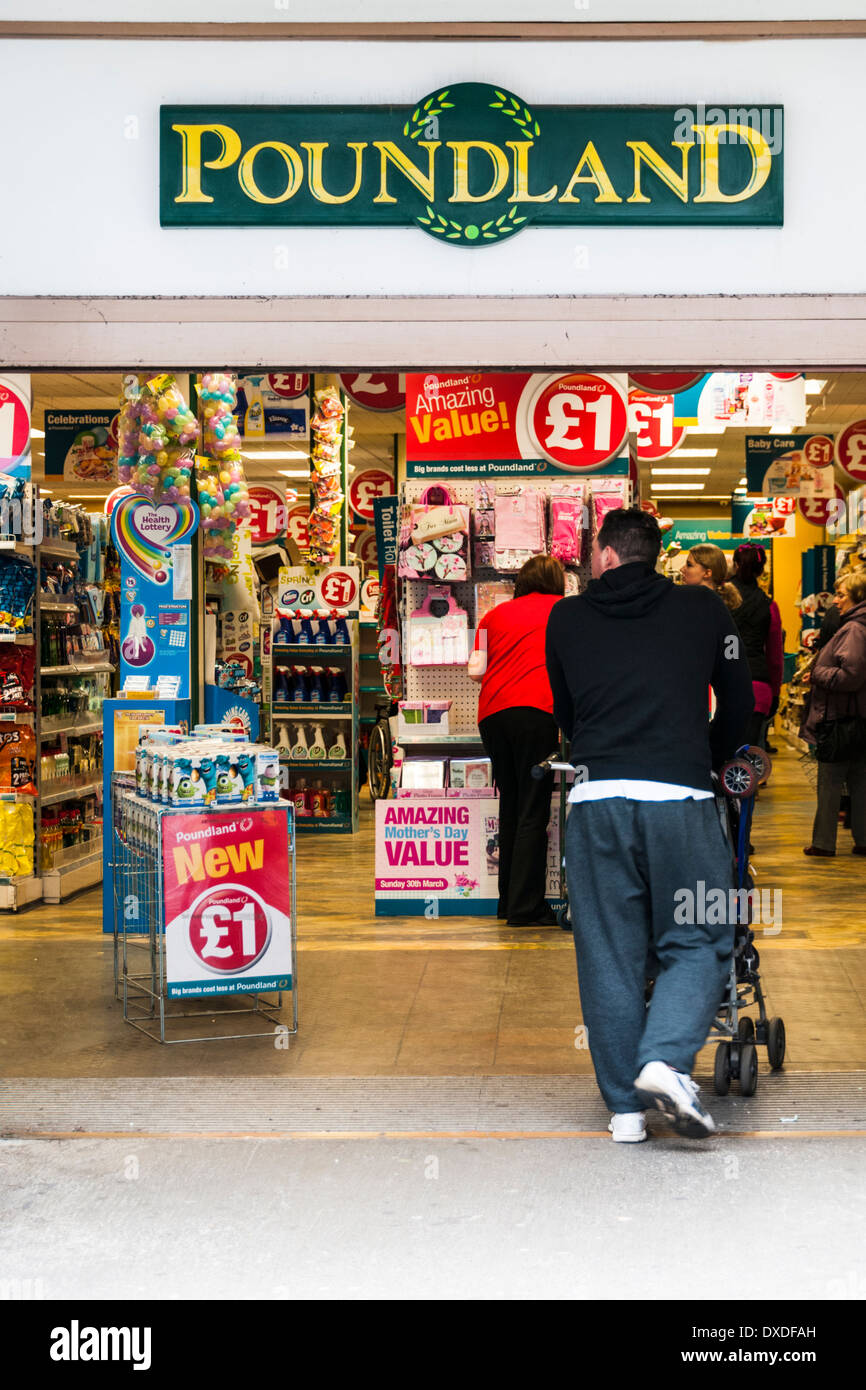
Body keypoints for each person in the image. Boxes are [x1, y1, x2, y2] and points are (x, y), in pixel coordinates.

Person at [545, 509, 753, 1142]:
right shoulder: (704, 610)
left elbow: (566, 710)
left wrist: (603, 753)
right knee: (701, 933)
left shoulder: (567, 616)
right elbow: (739, 701)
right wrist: (708, 756)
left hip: (597, 798)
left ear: (605, 555)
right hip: (682, 800)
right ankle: (663, 1059)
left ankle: (624, 1111)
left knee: (608, 954)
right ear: (655, 555)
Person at [469, 554, 564, 926]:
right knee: (532, 811)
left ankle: (507, 902)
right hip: (537, 711)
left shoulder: (494, 615)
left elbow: (477, 670)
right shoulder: (564, 610)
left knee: (510, 806)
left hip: (492, 715)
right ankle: (527, 908)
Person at [800, 568, 866, 857]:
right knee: (860, 782)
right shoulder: (856, 625)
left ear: (856, 597)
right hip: (856, 717)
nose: (836, 600)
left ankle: (823, 843)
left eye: (841, 595)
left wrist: (818, 673)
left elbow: (851, 675)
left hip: (839, 718)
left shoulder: (853, 629)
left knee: (829, 783)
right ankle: (863, 839)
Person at [730, 543, 783, 747]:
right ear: (761, 571)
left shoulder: (718, 598)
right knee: (746, 758)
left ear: (735, 564)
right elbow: (775, 657)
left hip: (720, 687)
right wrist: (776, 693)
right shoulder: (769, 606)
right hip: (758, 686)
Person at [681, 543, 742, 613]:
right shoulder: (698, 601)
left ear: (707, 573)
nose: (682, 569)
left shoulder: (713, 609)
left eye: (689, 565)